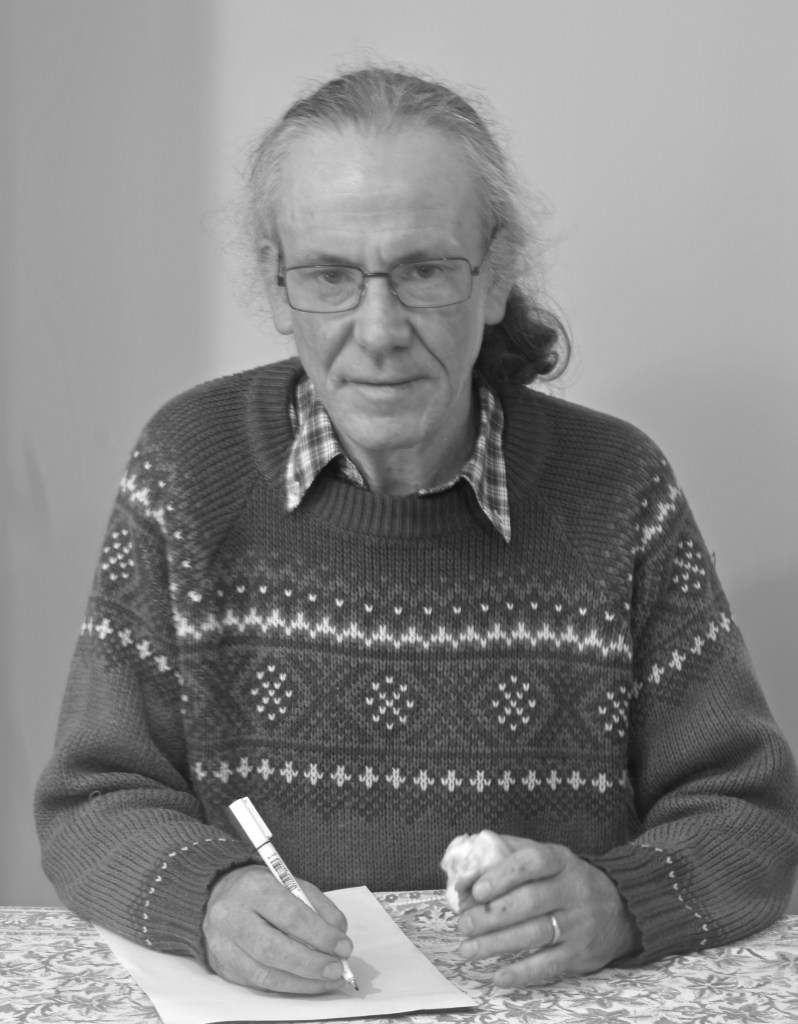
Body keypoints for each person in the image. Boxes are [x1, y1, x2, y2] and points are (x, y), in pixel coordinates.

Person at [36, 65, 798, 995]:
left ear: (495, 276)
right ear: (277, 291)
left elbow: (749, 810)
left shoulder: (619, 487)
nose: (380, 328)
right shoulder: (187, 470)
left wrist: (621, 899)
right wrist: (210, 897)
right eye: (328, 276)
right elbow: (94, 798)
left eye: (424, 271)